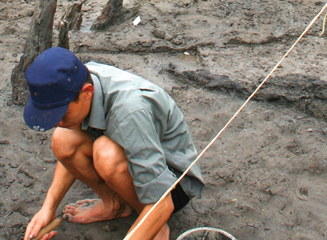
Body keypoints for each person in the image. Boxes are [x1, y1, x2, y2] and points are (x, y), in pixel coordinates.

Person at [22, 47, 205, 240]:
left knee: (105, 153)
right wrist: (48, 209)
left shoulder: (130, 112)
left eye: (62, 114)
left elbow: (163, 201)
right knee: (63, 138)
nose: (56, 122)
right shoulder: (79, 77)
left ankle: (156, 226)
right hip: (134, 156)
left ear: (87, 92)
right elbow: (67, 145)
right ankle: (114, 205)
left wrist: (154, 219)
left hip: (173, 183)